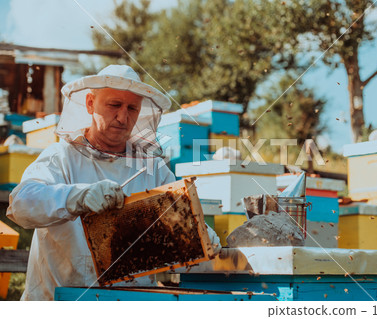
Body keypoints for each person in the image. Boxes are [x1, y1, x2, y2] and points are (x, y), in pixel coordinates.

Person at [7, 65, 220, 300]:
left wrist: (199, 236)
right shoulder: (61, 157)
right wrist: (76, 197)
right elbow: (21, 204)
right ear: (90, 103)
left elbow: (179, 224)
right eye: (114, 105)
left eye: (132, 108)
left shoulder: (154, 169)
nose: (123, 117)